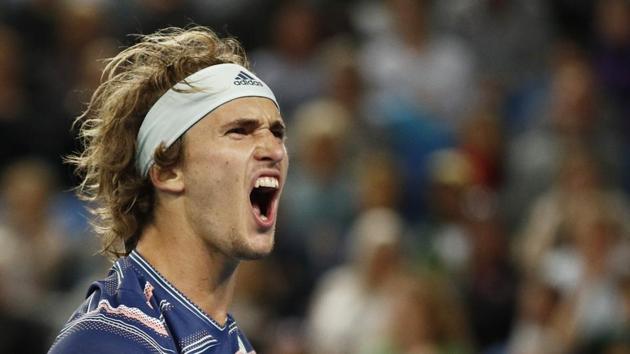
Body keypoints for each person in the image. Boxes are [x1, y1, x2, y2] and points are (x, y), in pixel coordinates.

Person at [48, 26, 288, 354]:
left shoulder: (226, 338)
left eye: (276, 132)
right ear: (167, 169)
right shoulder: (111, 340)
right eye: (239, 131)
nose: (273, 149)